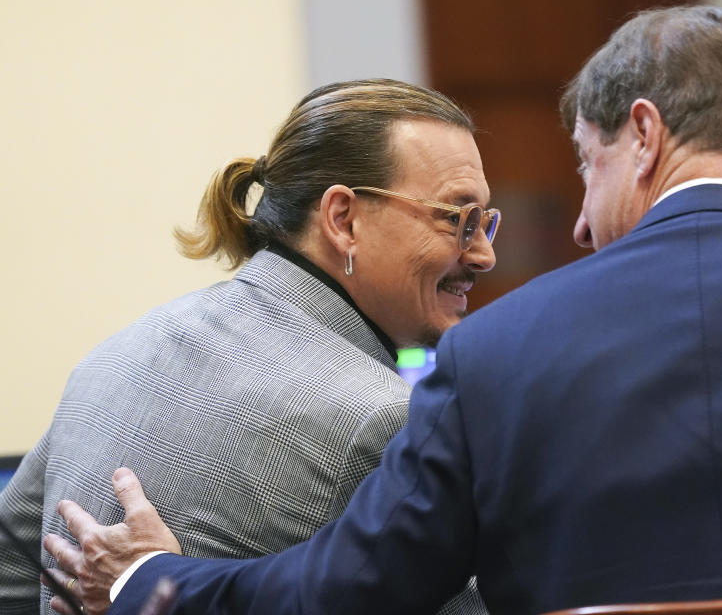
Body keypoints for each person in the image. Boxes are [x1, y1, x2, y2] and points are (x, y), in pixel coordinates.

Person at [48, 5, 722, 615]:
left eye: (586, 165)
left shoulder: (498, 352)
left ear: (642, 137)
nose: (579, 217)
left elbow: (347, 590)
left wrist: (149, 581)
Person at [0, 79, 498, 615]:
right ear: (343, 220)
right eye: (458, 219)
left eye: (486, 222)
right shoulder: (379, 419)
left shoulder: (115, 354)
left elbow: (9, 569)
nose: (485, 255)